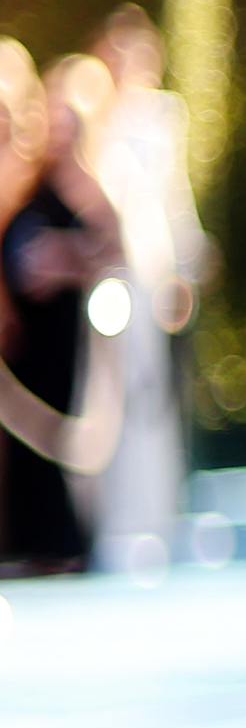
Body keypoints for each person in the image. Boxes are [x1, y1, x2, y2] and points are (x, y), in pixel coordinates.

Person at [84, 6, 205, 566]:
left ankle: (155, 510)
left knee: (153, 391)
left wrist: (185, 263)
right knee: (110, 386)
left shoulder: (163, 117)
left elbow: (174, 196)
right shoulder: (93, 114)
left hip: (149, 270)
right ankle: (109, 512)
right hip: (109, 271)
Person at [2, 55, 120, 575]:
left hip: (54, 332)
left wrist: (65, 262)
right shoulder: (22, 176)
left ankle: (58, 541)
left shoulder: (81, 179)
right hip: (22, 333)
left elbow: (112, 248)